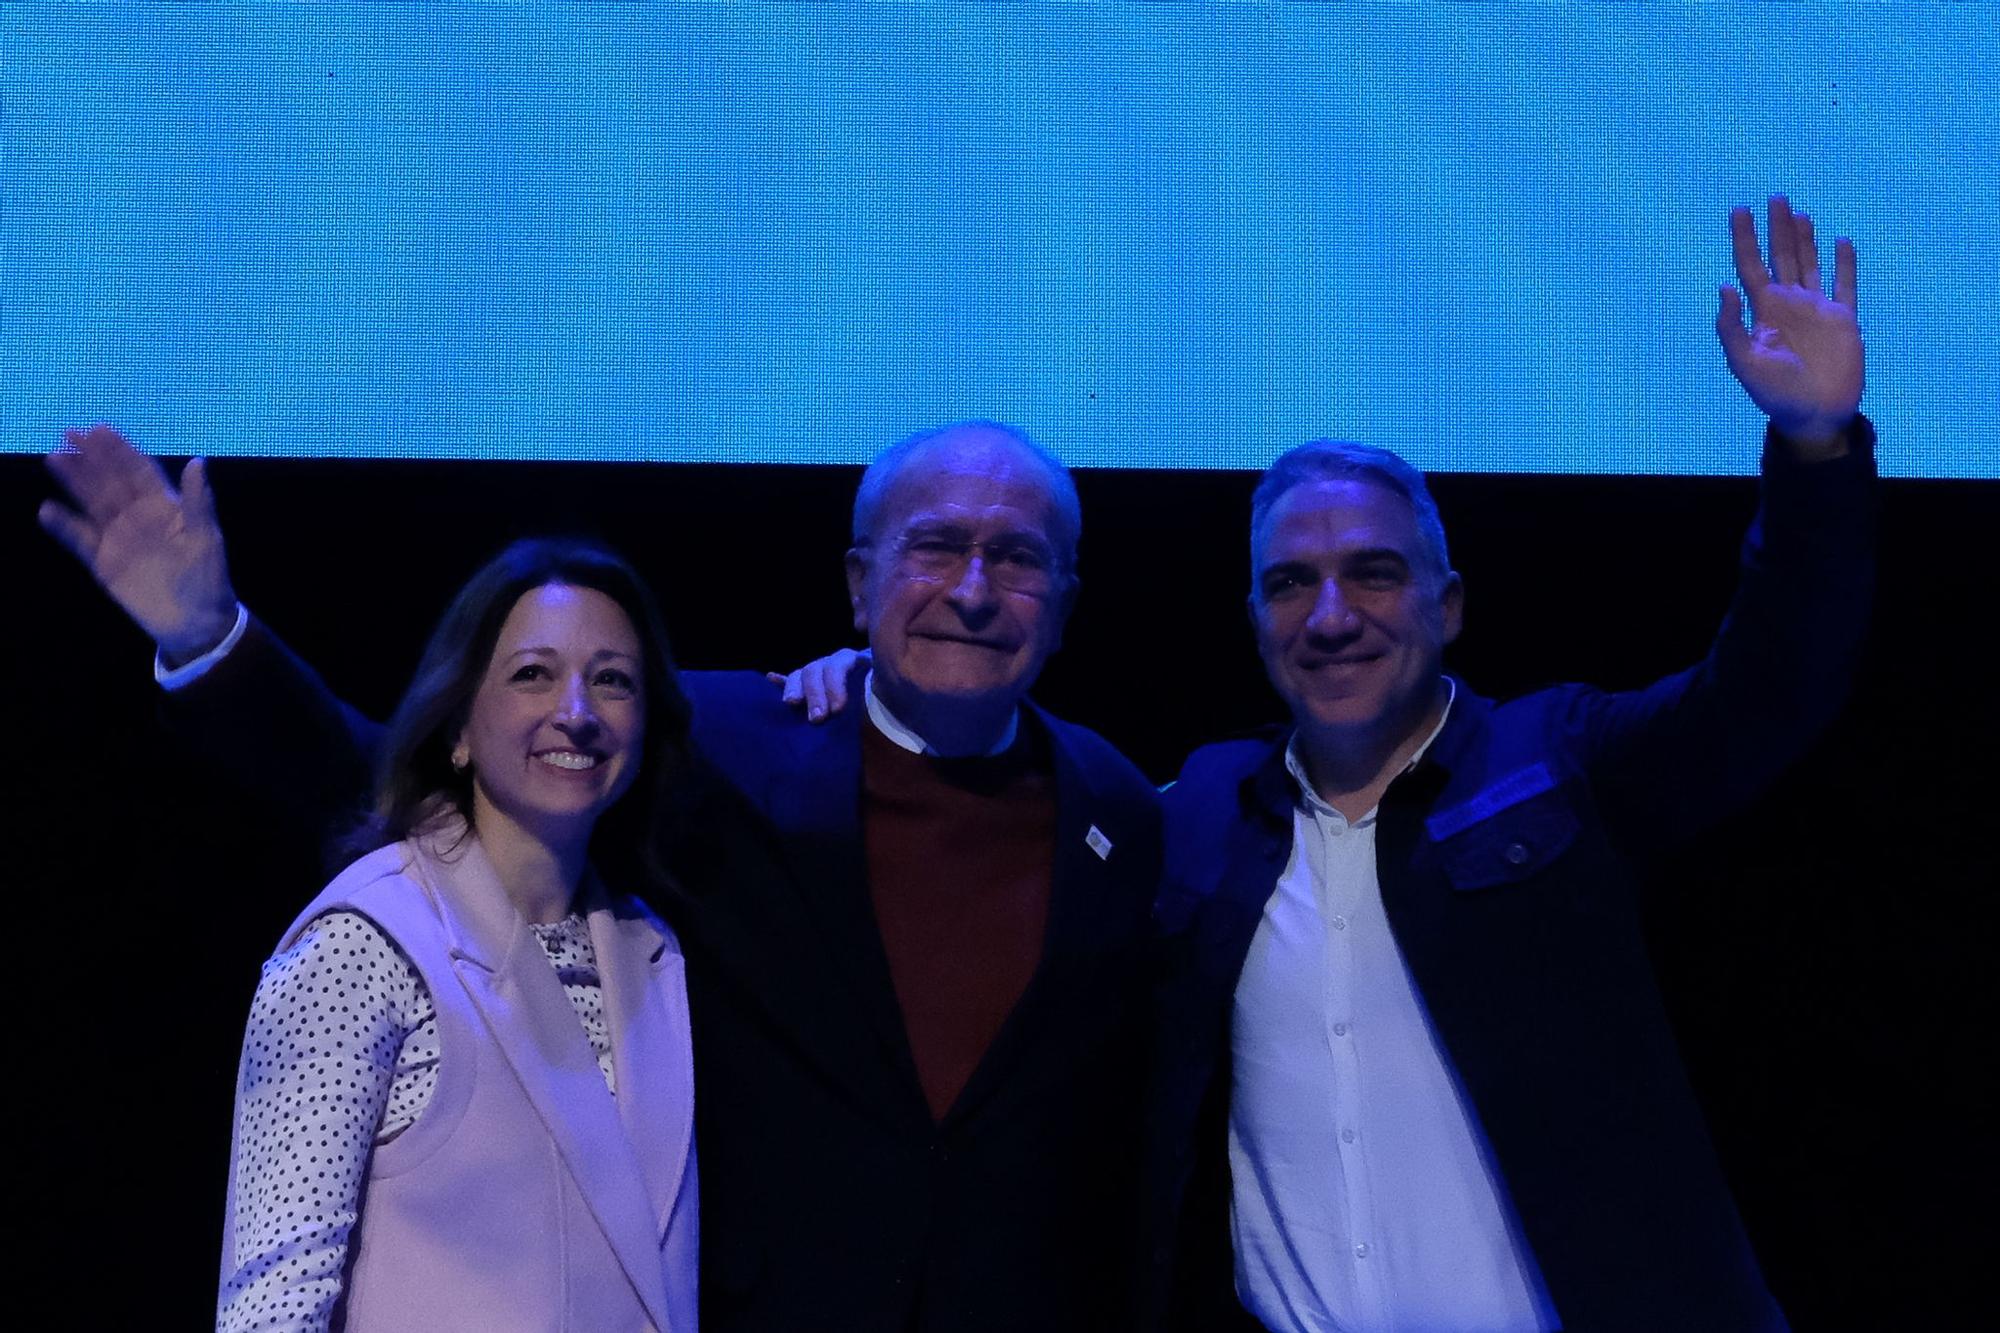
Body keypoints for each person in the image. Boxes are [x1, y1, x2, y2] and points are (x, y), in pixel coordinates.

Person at [40, 422, 1161, 1332]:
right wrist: (210, 637)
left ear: (1063, 599)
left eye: (1016, 558)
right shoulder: (731, 742)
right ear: (860, 585)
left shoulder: (1115, 806)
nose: (972, 588)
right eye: (933, 547)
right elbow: (413, 789)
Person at [1140, 198, 1872, 1331]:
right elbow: (1000, 805)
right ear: (1253, 623)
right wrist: (852, 689)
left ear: (1448, 606)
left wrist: (1814, 450)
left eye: (1372, 573)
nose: (1329, 615)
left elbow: (1771, 686)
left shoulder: (1556, 761)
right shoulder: (1199, 811)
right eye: (1290, 583)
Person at [213, 538, 700, 1332]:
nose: (576, 711)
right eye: (532, 673)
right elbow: (272, 1310)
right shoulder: (364, 943)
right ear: (458, 728)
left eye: (612, 679)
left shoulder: (654, 952)